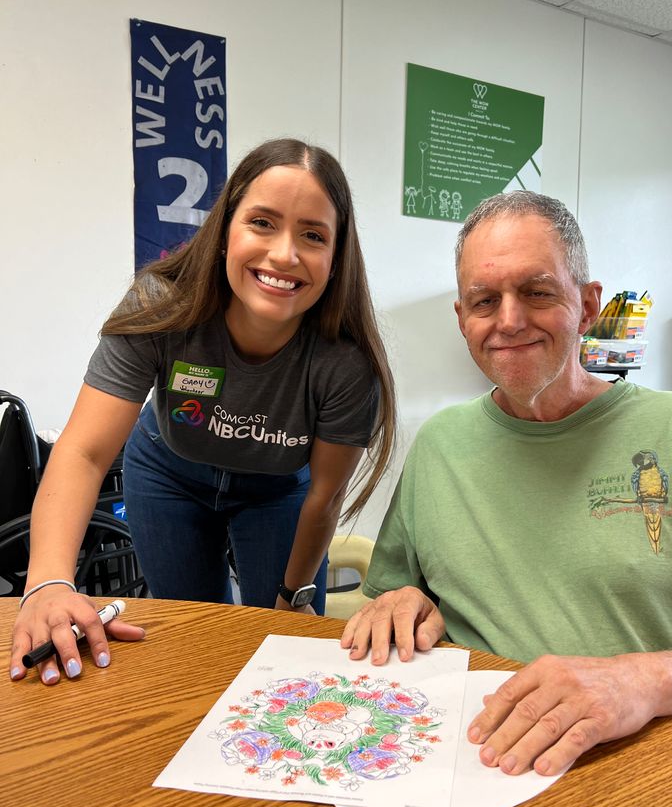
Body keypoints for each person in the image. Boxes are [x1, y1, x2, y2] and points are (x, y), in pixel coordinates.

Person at [341, 190, 672, 777]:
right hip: (482, 769)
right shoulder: (440, 445)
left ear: (588, 305)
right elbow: (394, 597)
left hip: (662, 784)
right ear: (462, 318)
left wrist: (642, 680)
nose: (509, 320)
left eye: (537, 292)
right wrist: (406, 601)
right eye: (484, 300)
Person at [11, 138, 396, 685]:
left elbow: (325, 494)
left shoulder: (345, 364)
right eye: (262, 222)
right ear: (224, 233)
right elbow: (84, 450)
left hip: (280, 489)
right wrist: (48, 581)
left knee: (281, 641)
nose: (285, 254)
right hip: (170, 474)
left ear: (335, 260)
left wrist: (294, 596)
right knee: (193, 639)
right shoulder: (161, 306)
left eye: (313, 235)